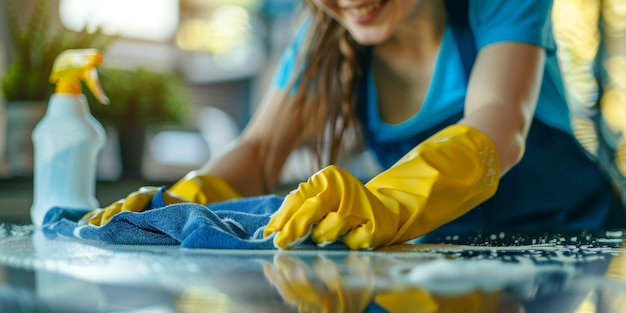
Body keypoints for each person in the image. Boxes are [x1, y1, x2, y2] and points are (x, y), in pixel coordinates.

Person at [84, 0, 625, 250]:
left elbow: (499, 122)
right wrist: (184, 201)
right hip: (456, 256)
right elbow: (258, 152)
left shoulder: (500, 5)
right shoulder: (320, 39)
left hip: (584, 243)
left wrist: (388, 200)